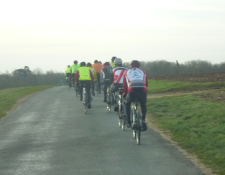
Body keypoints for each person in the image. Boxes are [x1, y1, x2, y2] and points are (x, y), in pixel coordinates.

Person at [123, 60, 148, 131]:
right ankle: (143, 120)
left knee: (127, 104)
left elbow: (125, 85)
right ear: (139, 66)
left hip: (132, 91)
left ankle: (128, 121)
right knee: (143, 105)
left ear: (130, 65)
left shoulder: (126, 72)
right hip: (142, 90)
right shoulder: (143, 72)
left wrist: (125, 93)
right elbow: (146, 84)